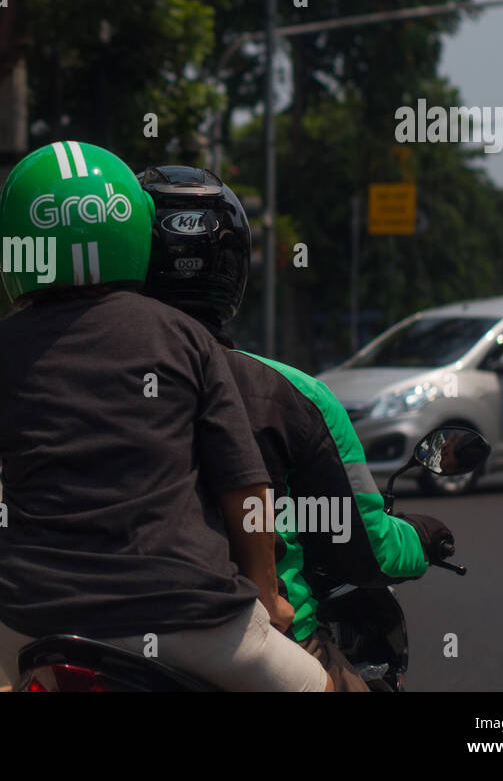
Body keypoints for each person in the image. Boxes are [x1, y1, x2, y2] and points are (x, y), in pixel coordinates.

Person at [0, 141, 332, 691]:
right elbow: (246, 488)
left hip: (32, 621)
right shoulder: (184, 338)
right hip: (186, 614)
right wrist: (267, 596)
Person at [138, 164, 453, 691]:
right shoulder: (292, 393)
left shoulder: (75, 377)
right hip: (256, 642)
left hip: (84, 630)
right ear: (234, 269)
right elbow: (360, 548)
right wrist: (421, 537)